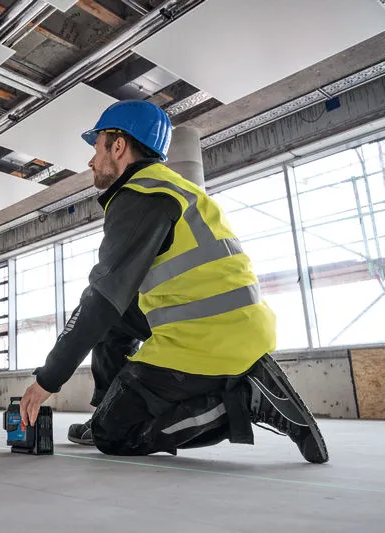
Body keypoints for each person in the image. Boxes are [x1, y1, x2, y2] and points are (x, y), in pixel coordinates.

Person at [19, 100, 328, 464]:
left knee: (113, 435)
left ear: (118, 146)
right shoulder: (171, 188)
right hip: (231, 326)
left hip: (206, 338)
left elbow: (99, 299)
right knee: (114, 321)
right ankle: (110, 407)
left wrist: (46, 381)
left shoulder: (141, 196)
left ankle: (244, 400)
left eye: (97, 147)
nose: (91, 162)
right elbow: (116, 307)